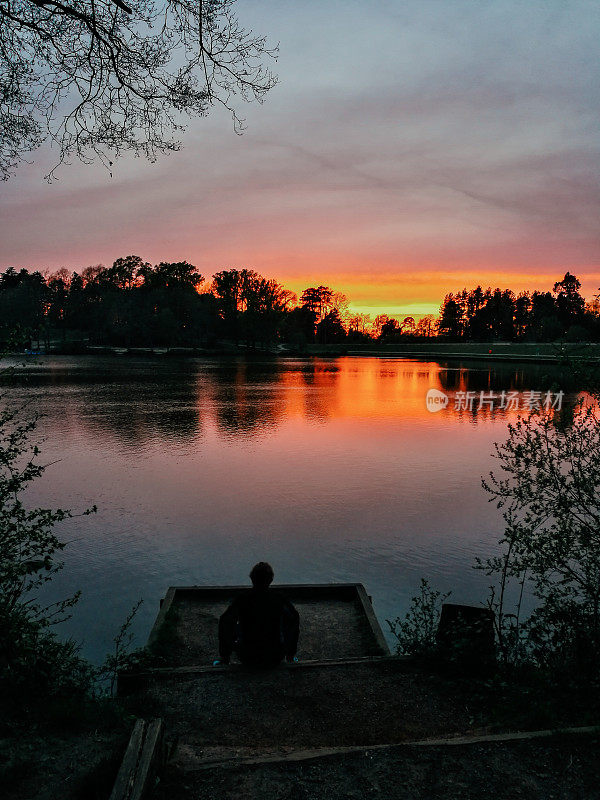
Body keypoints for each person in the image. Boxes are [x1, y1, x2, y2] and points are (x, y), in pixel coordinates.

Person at [214, 562, 299, 667]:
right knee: (289, 619)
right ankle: (290, 657)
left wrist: (226, 651)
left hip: (247, 656)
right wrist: (289, 649)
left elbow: (224, 620)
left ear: (252, 578)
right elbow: (294, 618)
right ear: (271, 580)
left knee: (229, 621)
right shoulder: (279, 599)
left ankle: (225, 659)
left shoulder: (242, 599)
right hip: (275, 656)